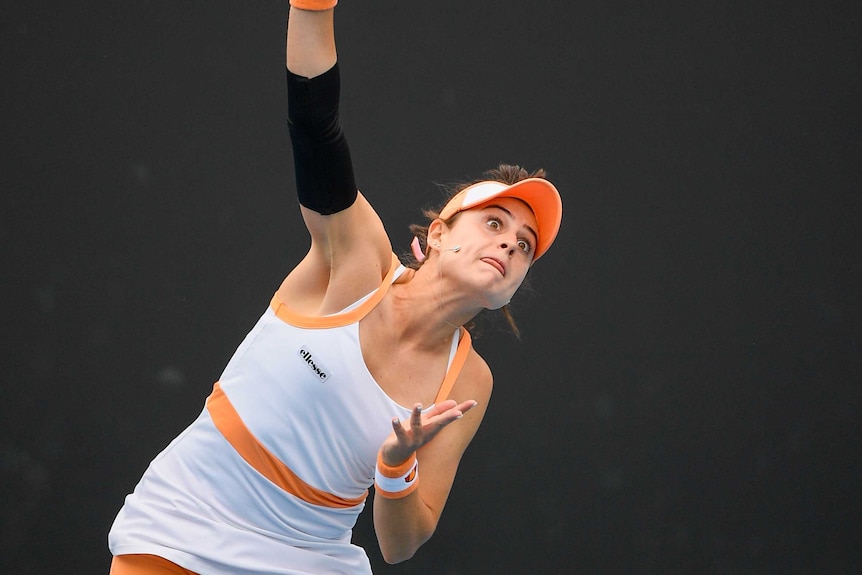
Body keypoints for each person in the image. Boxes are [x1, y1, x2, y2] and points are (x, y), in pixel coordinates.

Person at [107, 2, 562, 574]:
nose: (508, 246)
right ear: (440, 234)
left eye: (524, 246)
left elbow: (403, 543)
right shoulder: (357, 262)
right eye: (494, 224)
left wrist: (396, 466)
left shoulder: (469, 381)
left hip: (309, 561)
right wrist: (311, 9)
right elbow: (315, 127)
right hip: (183, 529)